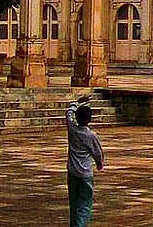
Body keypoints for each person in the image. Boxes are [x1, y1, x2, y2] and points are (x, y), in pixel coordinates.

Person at [67, 94, 104, 227]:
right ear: (89, 120)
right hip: (85, 173)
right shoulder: (90, 135)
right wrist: (100, 164)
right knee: (84, 203)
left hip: (72, 171)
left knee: (74, 202)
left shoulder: (72, 129)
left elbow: (69, 113)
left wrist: (77, 102)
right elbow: (97, 152)